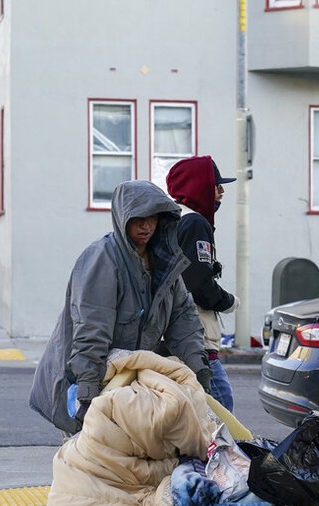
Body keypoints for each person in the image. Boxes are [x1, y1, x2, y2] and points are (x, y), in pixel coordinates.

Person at [29, 180, 210, 436]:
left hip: (125, 383)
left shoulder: (165, 264)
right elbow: (91, 329)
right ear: (123, 218)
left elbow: (184, 318)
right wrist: (87, 392)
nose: (146, 226)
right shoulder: (102, 259)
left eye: (152, 218)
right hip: (82, 379)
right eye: (138, 219)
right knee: (91, 465)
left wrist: (198, 369)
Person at [166, 155, 240, 411]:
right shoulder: (195, 222)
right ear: (198, 186)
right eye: (216, 185)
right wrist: (228, 301)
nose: (221, 192)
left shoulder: (172, 220)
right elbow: (197, 282)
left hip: (173, 332)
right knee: (221, 406)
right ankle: (215, 452)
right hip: (196, 335)